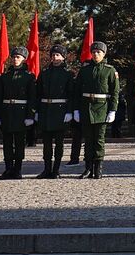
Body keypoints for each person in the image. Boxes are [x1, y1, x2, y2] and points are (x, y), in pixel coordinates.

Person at [74, 41, 120, 179]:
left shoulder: (109, 70)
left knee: (99, 140)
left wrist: (113, 110)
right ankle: (88, 168)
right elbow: (77, 91)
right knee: (88, 140)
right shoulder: (85, 70)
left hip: (102, 108)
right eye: (93, 52)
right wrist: (76, 109)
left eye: (98, 52)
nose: (95, 54)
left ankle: (98, 168)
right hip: (87, 107)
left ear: (104, 54)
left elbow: (115, 91)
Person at [0, 46, 36, 179]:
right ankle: (8, 168)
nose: (15, 59)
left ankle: (17, 169)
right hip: (7, 111)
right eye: (14, 57)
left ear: (24, 59)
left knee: (19, 143)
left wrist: (30, 116)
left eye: (18, 57)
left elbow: (32, 98)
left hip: (21, 112)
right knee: (7, 142)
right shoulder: (5, 77)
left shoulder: (29, 77)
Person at [35, 45, 73, 178]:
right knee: (46, 143)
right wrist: (37, 111)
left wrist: (69, 112)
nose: (55, 57)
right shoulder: (44, 73)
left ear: (63, 57)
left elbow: (71, 95)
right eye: (53, 55)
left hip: (60, 111)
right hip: (46, 110)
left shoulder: (68, 74)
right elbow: (38, 93)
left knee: (59, 143)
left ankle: (56, 169)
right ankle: (46, 169)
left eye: (58, 55)